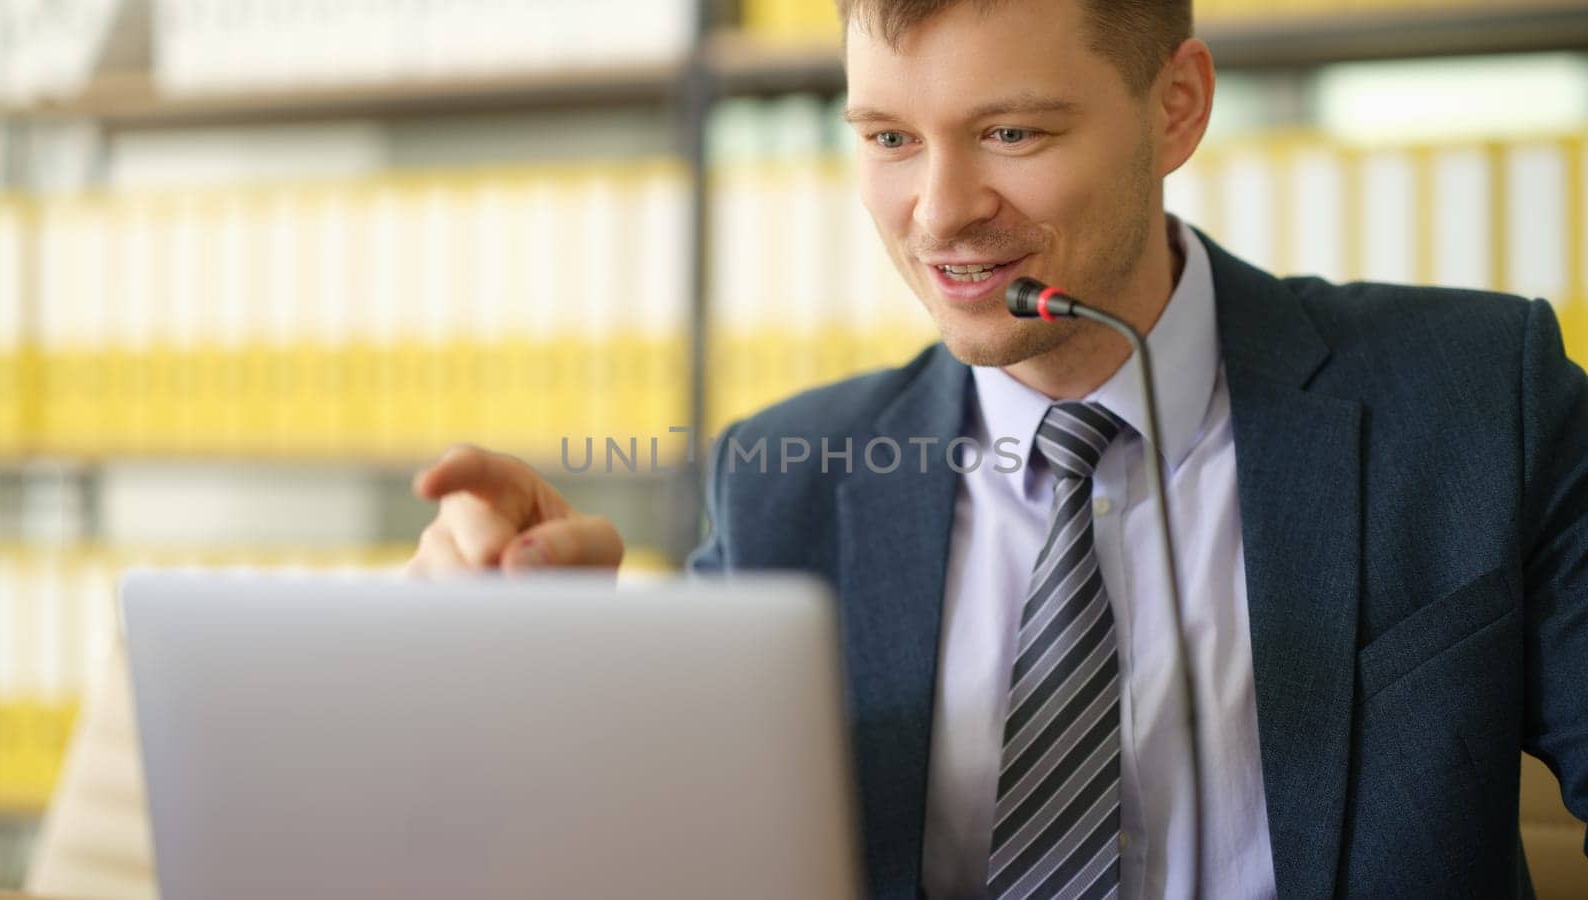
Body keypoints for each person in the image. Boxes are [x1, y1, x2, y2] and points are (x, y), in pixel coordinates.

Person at [404, 0, 1588, 897]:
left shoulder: (1480, 396)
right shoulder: (785, 480)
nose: (937, 211)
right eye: (886, 138)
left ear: (1175, 107)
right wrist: (544, 667)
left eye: (1009, 131)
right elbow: (678, 854)